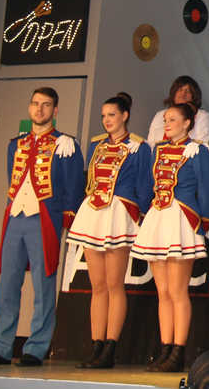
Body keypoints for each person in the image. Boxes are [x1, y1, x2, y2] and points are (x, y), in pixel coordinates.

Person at [0, 87, 84, 367]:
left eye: (46, 105)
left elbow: (73, 186)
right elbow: (12, 176)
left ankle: (35, 348)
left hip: (44, 218)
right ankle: (1, 347)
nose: (39, 109)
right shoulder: (16, 144)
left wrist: (66, 219)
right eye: (35, 104)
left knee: (43, 286)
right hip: (16, 217)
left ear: (55, 110)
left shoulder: (65, 144)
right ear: (29, 107)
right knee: (8, 285)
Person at [66, 93, 153, 369]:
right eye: (103, 116)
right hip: (94, 213)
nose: (106, 120)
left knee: (115, 284)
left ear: (125, 115)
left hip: (119, 214)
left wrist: (137, 215)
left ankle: (110, 347)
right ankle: (96, 345)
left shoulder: (139, 147)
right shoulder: (96, 145)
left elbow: (145, 186)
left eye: (112, 115)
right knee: (97, 285)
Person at [132, 103, 209, 372]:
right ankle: (165, 348)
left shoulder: (198, 151)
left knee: (178, 291)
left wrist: (203, 222)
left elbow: (206, 189)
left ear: (187, 123)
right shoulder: (158, 149)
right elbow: (149, 185)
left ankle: (178, 351)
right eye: (165, 120)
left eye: (172, 120)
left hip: (182, 219)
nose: (166, 124)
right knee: (163, 292)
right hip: (159, 217)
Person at [147, 76, 209, 148]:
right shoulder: (160, 115)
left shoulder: (202, 116)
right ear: (174, 93)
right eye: (180, 90)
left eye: (188, 91)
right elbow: (150, 144)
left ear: (194, 96)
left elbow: (202, 144)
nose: (183, 94)